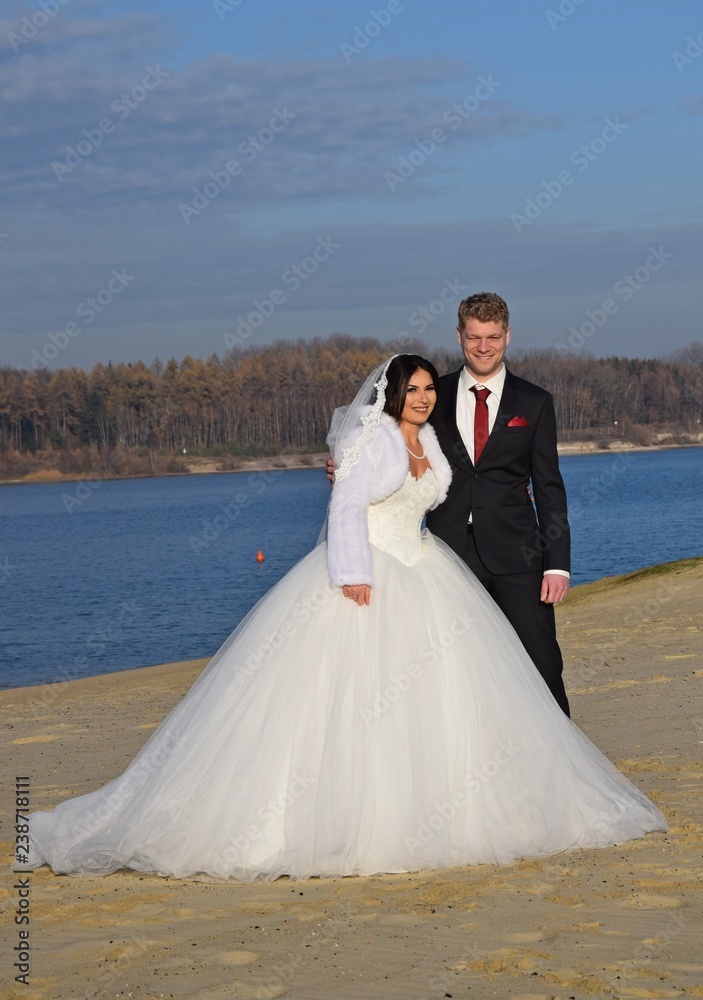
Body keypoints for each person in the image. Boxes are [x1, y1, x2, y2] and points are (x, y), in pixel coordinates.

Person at [22, 355, 666, 882]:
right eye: (410, 390)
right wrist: (354, 574)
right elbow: (347, 507)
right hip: (372, 575)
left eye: (424, 390)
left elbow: (473, 486)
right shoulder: (372, 437)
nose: (420, 398)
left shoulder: (435, 436)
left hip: (428, 568)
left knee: (452, 696)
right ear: (391, 394)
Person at [428, 292, 572, 715]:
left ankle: (560, 766)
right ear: (459, 336)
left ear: (508, 335)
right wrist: (346, 465)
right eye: (475, 337)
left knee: (542, 665)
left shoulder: (534, 402)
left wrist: (557, 564)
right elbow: (398, 454)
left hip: (520, 557)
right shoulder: (431, 396)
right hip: (447, 555)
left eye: (493, 336)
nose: (484, 346)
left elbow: (549, 487)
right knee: (455, 668)